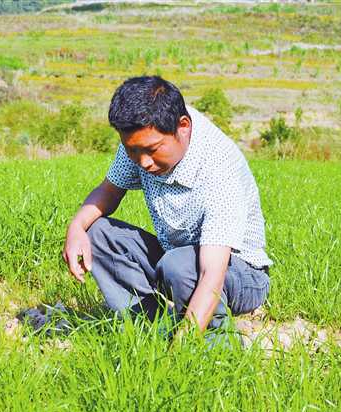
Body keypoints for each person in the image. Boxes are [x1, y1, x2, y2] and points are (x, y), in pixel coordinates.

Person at [61, 76, 272, 343]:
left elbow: (211, 274)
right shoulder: (142, 140)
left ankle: (216, 349)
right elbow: (109, 192)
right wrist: (76, 227)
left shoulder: (219, 167)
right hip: (177, 262)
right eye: (132, 151)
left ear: (182, 127)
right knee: (97, 232)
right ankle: (149, 333)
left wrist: (182, 348)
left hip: (239, 275)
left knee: (180, 266)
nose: (143, 162)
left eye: (152, 150)